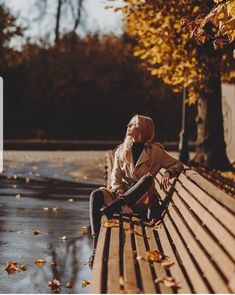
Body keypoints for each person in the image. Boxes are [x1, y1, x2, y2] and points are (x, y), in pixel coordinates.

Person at [89, 114, 183, 268]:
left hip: (141, 202)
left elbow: (178, 165)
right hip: (120, 199)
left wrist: (168, 173)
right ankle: (95, 246)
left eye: (133, 124)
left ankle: (109, 210)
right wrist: (122, 202)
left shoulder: (155, 150)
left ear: (143, 129)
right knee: (95, 195)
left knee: (147, 179)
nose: (128, 126)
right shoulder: (121, 150)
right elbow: (115, 180)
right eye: (129, 123)